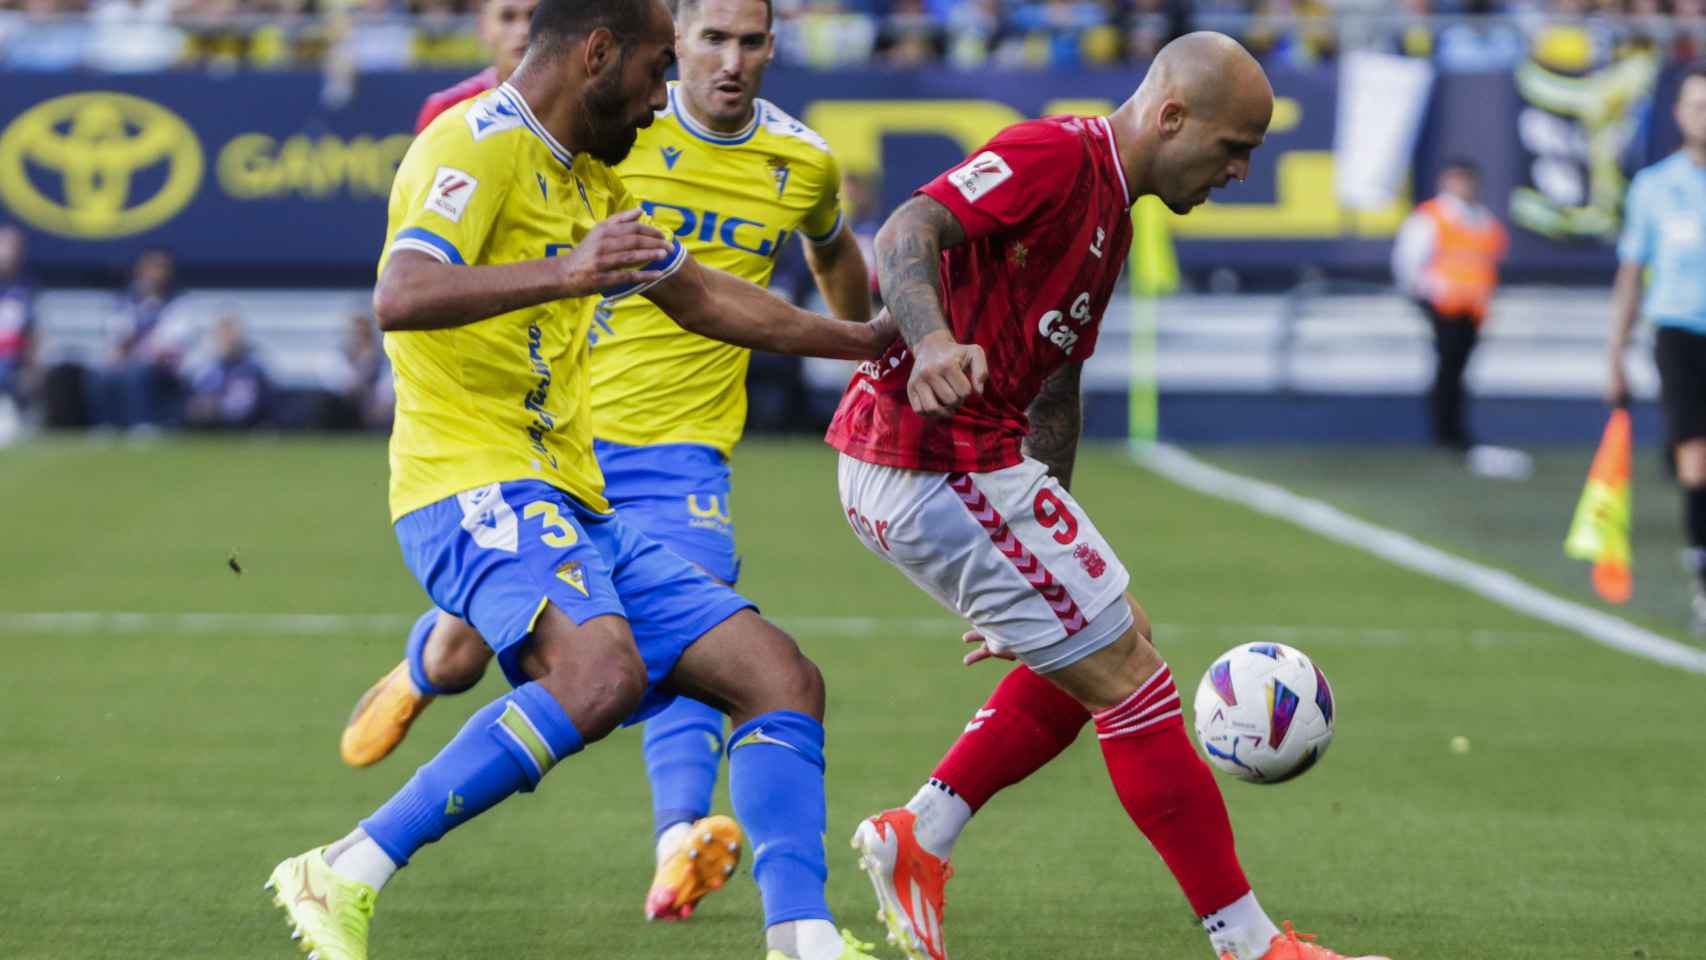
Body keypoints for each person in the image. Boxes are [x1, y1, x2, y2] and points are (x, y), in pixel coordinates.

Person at [261, 0, 894, 957]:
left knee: (779, 677)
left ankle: (801, 938)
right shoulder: (471, 144)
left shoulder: (591, 173)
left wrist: (865, 343)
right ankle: (345, 866)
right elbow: (402, 293)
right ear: (599, 53)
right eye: (653, 73)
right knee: (600, 675)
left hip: (568, 491)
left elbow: (702, 297)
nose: (658, 103)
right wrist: (568, 273)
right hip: (467, 483)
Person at [828, 32, 1388, 960]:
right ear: (1172, 117)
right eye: (1234, 147)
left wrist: (1050, 546)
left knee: (1117, 630)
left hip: (963, 468)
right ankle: (1252, 947)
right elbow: (905, 232)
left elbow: (1054, 388)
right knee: (1132, 685)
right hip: (922, 458)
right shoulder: (1053, 155)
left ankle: (920, 836)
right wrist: (930, 343)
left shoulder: (1113, 216)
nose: (1242, 171)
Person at [1607, 66, 1706, 633]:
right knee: (1695, 459)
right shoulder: (1654, 187)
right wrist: (1613, 354)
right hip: (1678, 332)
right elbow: (1630, 274)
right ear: (1678, 113)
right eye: (1695, 104)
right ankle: (1702, 578)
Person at [1391, 158, 1528, 478]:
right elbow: (1409, 260)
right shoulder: (1433, 217)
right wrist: (1423, 293)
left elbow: (1487, 261)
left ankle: (1454, 430)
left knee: (1459, 370)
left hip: (1473, 308)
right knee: (1447, 369)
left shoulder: (1482, 220)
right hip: (1444, 305)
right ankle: (1445, 432)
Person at [85, 248, 188, 431]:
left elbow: (168, 346)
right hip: (131, 360)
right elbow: (119, 338)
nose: (153, 275)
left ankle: (142, 423)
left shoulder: (178, 304)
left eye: (159, 269)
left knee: (139, 371)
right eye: (149, 270)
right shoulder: (127, 303)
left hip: (164, 368)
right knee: (102, 373)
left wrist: (139, 350)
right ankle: (106, 424)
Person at [412, 0, 535, 133]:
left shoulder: (561, 107)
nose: (523, 30)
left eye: (534, 15)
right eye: (507, 17)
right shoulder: (445, 109)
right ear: (482, 28)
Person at [184, 313, 272, 430]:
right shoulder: (209, 367)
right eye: (224, 335)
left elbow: (251, 402)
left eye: (231, 335)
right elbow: (200, 394)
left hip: (244, 419)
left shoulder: (252, 367)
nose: (228, 340)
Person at [0, 225, 36, 444]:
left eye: (12, 248)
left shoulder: (25, 288)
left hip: (12, 356)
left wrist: (34, 362)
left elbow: (32, 330)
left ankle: (8, 415)